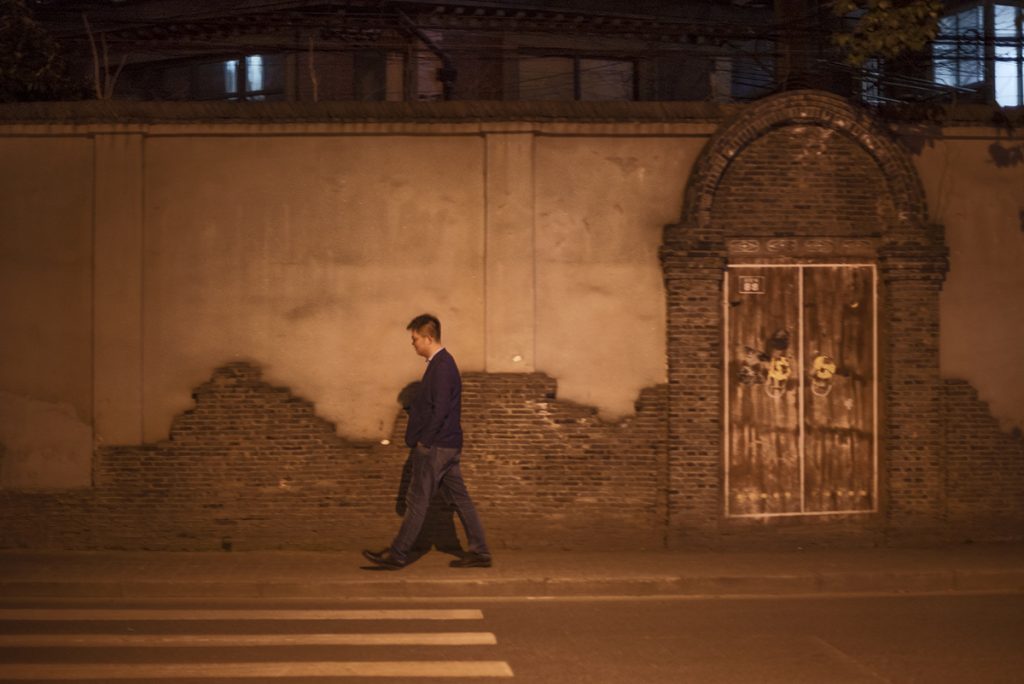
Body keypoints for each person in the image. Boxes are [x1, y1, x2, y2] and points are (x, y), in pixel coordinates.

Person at [362, 314, 492, 570]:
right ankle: (481, 552)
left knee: (418, 500)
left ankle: (398, 554)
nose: (413, 344)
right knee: (460, 499)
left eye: (415, 339)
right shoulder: (440, 364)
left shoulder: (442, 366)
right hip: (447, 445)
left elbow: (440, 408)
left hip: (437, 446)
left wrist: (425, 441)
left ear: (428, 337)